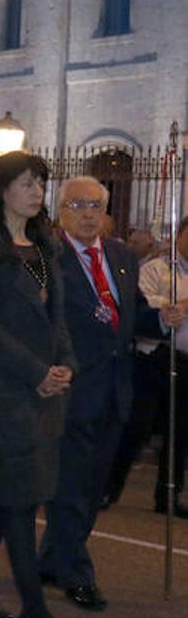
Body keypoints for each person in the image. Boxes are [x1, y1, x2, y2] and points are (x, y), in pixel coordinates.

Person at [0, 151, 83, 618]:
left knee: (4, 495)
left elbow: (59, 321)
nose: (37, 193)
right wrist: (36, 373)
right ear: (2, 189)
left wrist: (65, 365)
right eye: (28, 183)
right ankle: (35, 611)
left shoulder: (45, 248)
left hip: (46, 393)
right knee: (16, 500)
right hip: (6, 393)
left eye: (41, 185)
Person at [40, 176, 158, 610]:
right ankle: (76, 571)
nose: (88, 213)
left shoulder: (122, 256)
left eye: (96, 204)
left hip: (115, 389)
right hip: (72, 387)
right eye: (78, 204)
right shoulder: (48, 258)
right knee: (70, 483)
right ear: (62, 211)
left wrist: (165, 319)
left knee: (95, 486)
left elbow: (133, 316)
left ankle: (53, 558)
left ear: (107, 213)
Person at [137, 221, 188, 518]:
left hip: (186, 360)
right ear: (179, 236)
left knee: (180, 431)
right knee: (140, 424)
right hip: (158, 356)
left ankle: (168, 493)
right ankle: (107, 484)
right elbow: (143, 302)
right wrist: (178, 304)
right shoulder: (157, 269)